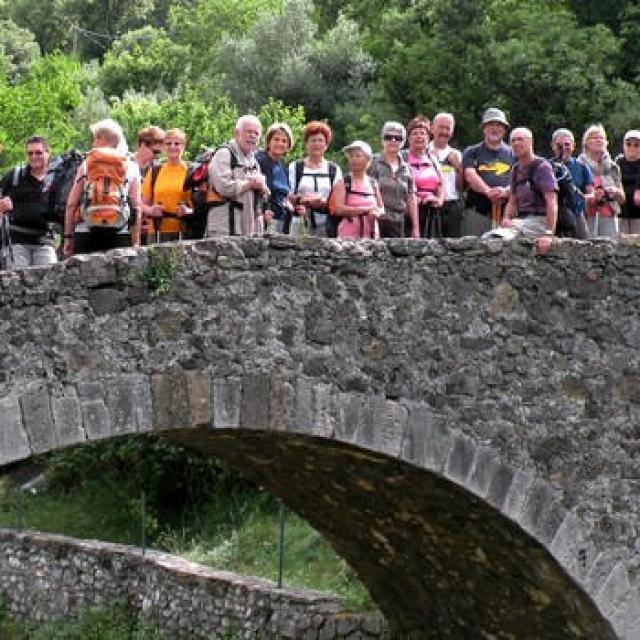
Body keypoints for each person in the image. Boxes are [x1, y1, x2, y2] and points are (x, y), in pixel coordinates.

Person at [63, 119, 141, 257]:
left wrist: (68, 238)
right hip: (119, 233)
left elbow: (71, 204)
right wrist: (135, 241)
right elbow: (136, 207)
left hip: (86, 231)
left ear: (101, 138)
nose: (93, 143)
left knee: (85, 278)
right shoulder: (131, 166)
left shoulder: (86, 164)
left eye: (95, 139)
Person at [0, 136, 58, 268]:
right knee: (16, 286)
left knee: (50, 284)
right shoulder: (15, 176)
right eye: (30, 153)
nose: (33, 156)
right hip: (16, 242)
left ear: (48, 153)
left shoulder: (56, 179)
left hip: (45, 242)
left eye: (38, 152)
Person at [208, 115, 268, 237]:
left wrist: (262, 187)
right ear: (236, 133)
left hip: (249, 228)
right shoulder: (224, 154)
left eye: (256, 134)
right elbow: (223, 187)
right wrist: (250, 184)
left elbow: (265, 195)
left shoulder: (253, 161)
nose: (252, 136)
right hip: (224, 227)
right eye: (249, 132)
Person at [501, 127, 557, 256]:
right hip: (521, 220)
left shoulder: (542, 167)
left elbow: (552, 201)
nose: (516, 144)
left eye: (520, 139)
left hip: (539, 220)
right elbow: (512, 201)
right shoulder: (515, 170)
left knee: (498, 238)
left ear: (530, 142)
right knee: (494, 238)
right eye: (513, 141)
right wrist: (506, 218)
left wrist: (548, 234)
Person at [462, 107, 515, 236]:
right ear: (484, 128)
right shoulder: (471, 152)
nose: (495, 128)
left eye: (499, 125)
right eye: (491, 124)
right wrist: (488, 191)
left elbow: (521, 178)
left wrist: (505, 191)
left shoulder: (514, 153)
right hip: (477, 212)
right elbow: (469, 174)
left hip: (506, 213)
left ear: (504, 129)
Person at [288, 121, 342, 237]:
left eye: (320, 140)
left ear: (326, 145)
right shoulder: (296, 167)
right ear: (306, 144)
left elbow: (338, 200)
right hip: (300, 223)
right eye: (313, 140)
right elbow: (288, 195)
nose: (316, 144)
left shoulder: (334, 169)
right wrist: (305, 201)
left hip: (327, 225)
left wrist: (323, 204)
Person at [141, 128, 193, 243]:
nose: (172, 147)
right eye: (168, 143)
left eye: (177, 143)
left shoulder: (191, 172)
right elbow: (141, 203)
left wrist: (188, 211)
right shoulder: (155, 171)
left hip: (184, 232)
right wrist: (150, 211)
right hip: (156, 231)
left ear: (183, 146)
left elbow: (200, 206)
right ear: (164, 147)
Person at [367, 121, 418, 238]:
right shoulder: (371, 163)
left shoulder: (407, 168)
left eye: (398, 138)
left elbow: (411, 197)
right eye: (388, 137)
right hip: (376, 221)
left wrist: (415, 227)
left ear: (403, 142)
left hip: (400, 222)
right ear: (382, 140)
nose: (393, 141)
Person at [578, 124, 624, 238]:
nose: (599, 140)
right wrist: (592, 196)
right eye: (595, 137)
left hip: (609, 217)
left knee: (611, 252)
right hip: (586, 217)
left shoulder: (613, 167)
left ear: (606, 142)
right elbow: (573, 195)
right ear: (586, 143)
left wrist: (615, 192)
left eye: (602, 138)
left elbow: (622, 199)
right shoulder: (579, 165)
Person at [332, 140, 384, 239]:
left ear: (368, 160)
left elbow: (381, 208)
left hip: (371, 235)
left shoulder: (373, 183)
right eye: (351, 156)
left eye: (358, 156)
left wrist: (377, 213)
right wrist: (365, 210)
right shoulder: (343, 183)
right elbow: (338, 209)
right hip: (347, 236)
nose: (353, 159)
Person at [402, 116, 444, 238]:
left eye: (423, 133)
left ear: (428, 137)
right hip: (407, 213)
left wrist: (439, 200)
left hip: (431, 213)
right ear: (408, 138)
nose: (419, 136)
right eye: (414, 133)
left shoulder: (433, 159)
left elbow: (440, 184)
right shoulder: (402, 158)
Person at [550, 128, 593, 240]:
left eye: (567, 144)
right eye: (559, 145)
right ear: (552, 146)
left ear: (573, 146)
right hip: (553, 211)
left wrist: (580, 196)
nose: (563, 148)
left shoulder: (582, 166)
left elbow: (590, 193)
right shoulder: (546, 166)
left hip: (576, 212)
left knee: (583, 244)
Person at [428, 112, 464, 237]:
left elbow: (461, 188)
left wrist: (459, 168)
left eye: (447, 128)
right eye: (440, 127)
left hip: (452, 205)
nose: (444, 131)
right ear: (432, 128)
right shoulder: (424, 152)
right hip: (429, 205)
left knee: (453, 246)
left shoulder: (457, 154)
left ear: (452, 131)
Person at [256, 122, 294, 234]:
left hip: (281, 221)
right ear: (268, 141)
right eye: (276, 139)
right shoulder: (259, 161)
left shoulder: (283, 166)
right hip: (262, 221)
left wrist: (289, 204)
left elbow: (284, 194)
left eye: (284, 141)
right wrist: (261, 213)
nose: (280, 143)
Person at [615, 129, 640, 235]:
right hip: (622, 210)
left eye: (636, 145)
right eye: (628, 144)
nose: (632, 148)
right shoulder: (617, 162)